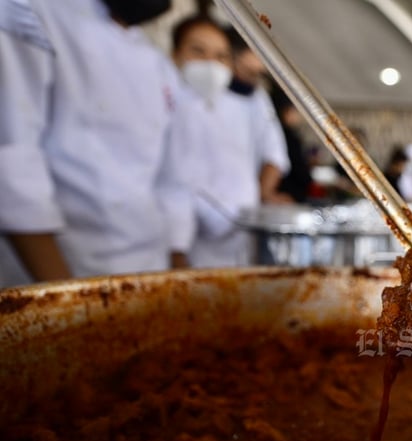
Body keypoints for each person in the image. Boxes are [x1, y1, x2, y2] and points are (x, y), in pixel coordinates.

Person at [0, 0, 196, 287]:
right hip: (63, 272)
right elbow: (12, 160)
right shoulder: (29, 12)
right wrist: (67, 303)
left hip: (150, 270)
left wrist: (181, 281)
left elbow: (172, 181)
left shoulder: (158, 65)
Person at [171, 15, 290, 268]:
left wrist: (263, 195)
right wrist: (177, 248)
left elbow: (274, 153)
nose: (211, 64)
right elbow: (174, 182)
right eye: (198, 51)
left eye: (220, 56)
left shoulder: (255, 99)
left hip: (241, 227)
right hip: (190, 237)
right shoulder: (174, 100)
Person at [225, 27, 291, 206]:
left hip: (245, 205)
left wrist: (266, 193)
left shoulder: (258, 97)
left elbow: (275, 152)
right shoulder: (208, 92)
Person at [271, 88, 313, 204]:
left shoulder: (274, 132)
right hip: (287, 198)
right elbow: (300, 171)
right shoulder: (287, 137)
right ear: (286, 111)